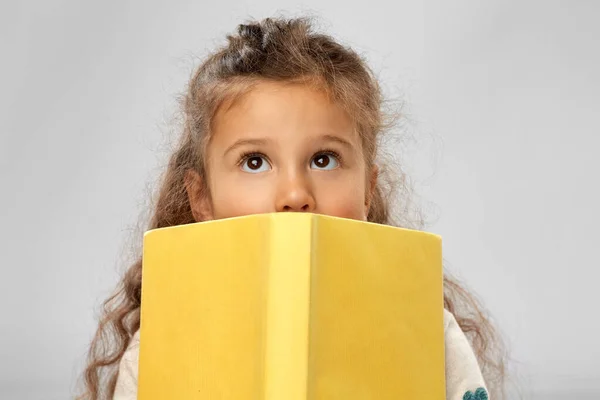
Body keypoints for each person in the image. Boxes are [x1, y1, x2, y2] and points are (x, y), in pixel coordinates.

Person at [78, 17, 506, 400]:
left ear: (367, 191)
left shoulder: (426, 330)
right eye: (254, 162)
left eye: (324, 159)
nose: (294, 194)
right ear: (201, 198)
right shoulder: (164, 342)